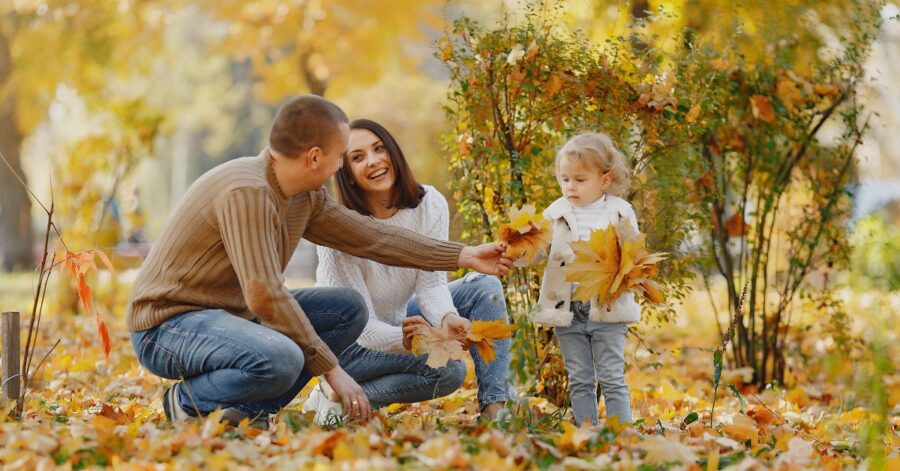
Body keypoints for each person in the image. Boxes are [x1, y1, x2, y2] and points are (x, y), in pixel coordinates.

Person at [126, 96, 513, 428]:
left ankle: (250, 411)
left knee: (346, 308)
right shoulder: (247, 192)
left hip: (230, 319)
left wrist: (462, 255)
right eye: (343, 156)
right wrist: (332, 370)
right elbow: (265, 294)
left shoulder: (305, 197)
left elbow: (374, 238)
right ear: (315, 157)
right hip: (168, 327)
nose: (343, 167)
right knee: (282, 356)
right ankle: (186, 403)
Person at [308, 119, 515, 424]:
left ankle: (495, 408)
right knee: (449, 369)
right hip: (345, 347)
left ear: (393, 151)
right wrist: (413, 341)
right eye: (358, 157)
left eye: (379, 149)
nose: (374, 161)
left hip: (399, 321)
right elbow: (363, 328)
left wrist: (447, 318)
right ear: (347, 174)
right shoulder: (339, 230)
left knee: (483, 286)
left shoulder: (429, 203)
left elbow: (431, 285)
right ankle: (339, 399)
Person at [516, 131, 638, 426]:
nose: (570, 187)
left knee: (611, 376)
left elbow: (634, 258)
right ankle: (587, 431)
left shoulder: (620, 213)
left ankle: (621, 434)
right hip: (567, 310)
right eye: (564, 179)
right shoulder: (556, 212)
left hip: (606, 308)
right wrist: (517, 251)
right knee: (580, 376)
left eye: (580, 180)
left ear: (604, 180)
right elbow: (539, 251)